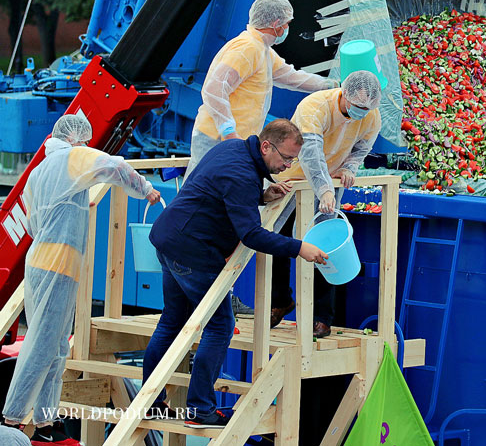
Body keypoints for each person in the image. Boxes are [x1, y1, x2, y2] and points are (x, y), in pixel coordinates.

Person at [143, 119, 327, 428]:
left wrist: (261, 196)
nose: (287, 165)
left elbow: (220, 189)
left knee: (172, 321)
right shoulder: (243, 173)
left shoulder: (234, 149)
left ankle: (150, 403)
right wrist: (299, 248)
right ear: (266, 146)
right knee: (219, 326)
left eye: (293, 160)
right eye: (285, 158)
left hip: (169, 238)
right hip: (191, 251)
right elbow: (252, 234)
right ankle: (200, 410)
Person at [2, 115, 160, 445]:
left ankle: (45, 424)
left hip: (41, 260)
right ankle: (12, 417)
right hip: (60, 263)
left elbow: (30, 226)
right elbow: (115, 166)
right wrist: (146, 190)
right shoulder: (73, 157)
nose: (87, 145)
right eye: (85, 141)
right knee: (44, 343)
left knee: (57, 346)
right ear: (77, 139)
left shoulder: (40, 171)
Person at [269, 71, 383, 338]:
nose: (361, 113)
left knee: (323, 246)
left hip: (329, 183)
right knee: (277, 240)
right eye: (357, 107)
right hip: (290, 179)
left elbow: (361, 148)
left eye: (366, 109)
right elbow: (310, 154)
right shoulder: (315, 107)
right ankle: (279, 301)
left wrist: (350, 167)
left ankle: (321, 317)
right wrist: (324, 189)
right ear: (344, 94)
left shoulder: (370, 116)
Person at [185, 0, 334, 178]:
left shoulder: (262, 50)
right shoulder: (247, 48)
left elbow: (291, 77)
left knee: (222, 195)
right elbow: (214, 88)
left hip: (235, 141)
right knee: (202, 195)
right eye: (287, 23)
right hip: (218, 138)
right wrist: (228, 131)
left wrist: (331, 85)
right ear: (277, 23)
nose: (287, 28)